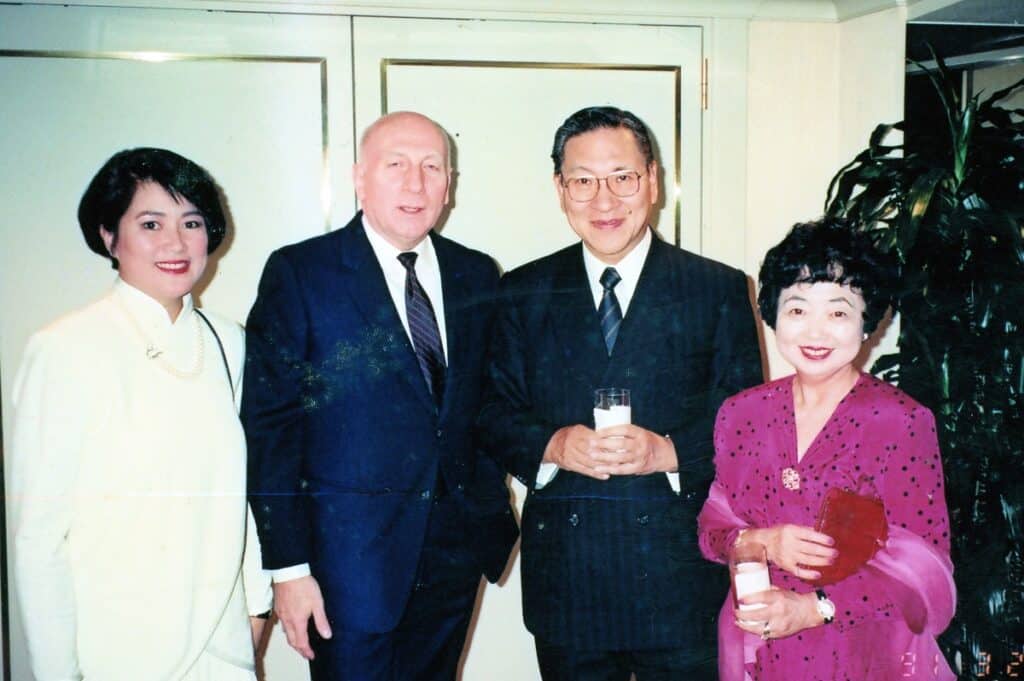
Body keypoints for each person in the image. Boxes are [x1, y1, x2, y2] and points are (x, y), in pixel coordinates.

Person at [477, 105, 763, 680]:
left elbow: (747, 419)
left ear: (652, 181)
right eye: (583, 181)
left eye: (622, 178)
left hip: (681, 574)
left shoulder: (717, 288)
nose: (604, 201)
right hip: (570, 580)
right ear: (560, 188)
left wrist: (670, 451)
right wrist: (553, 444)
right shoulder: (522, 290)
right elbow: (491, 411)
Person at [242, 111, 519, 681]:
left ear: (450, 183)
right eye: (396, 165)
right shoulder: (302, 272)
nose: (415, 184)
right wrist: (288, 570)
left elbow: (484, 403)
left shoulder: (476, 274)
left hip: (453, 554)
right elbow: (270, 427)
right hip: (347, 564)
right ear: (359, 177)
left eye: (431, 167)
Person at [9, 147, 272, 681]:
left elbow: (246, 489)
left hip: (220, 648)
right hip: (116, 652)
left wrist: (257, 605)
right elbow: (39, 539)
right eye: (150, 223)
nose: (175, 243)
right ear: (110, 236)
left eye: (191, 222)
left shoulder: (229, 343)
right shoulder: (66, 348)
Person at [697, 218, 955, 680]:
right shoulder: (741, 414)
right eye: (797, 309)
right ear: (773, 314)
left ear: (867, 322)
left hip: (862, 649)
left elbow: (926, 571)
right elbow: (713, 529)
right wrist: (760, 541)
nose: (815, 331)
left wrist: (814, 608)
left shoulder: (901, 421)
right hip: (759, 644)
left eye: (838, 312)